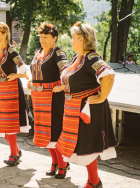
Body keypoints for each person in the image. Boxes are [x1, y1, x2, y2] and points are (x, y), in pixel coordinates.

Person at [55, 22, 119, 188]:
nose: (71, 41)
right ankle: (94, 181)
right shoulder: (78, 58)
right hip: (74, 109)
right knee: (84, 145)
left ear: (82, 40)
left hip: (87, 111)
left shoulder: (92, 58)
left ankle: (94, 181)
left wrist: (102, 97)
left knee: (87, 145)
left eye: (74, 38)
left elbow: (108, 75)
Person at [0, 20, 33, 166]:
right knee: (2, 125)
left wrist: (17, 76)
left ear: (4, 34)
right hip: (0, 90)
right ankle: (16, 150)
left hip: (12, 89)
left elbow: (24, 68)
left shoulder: (11, 50)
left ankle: (13, 153)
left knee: (10, 125)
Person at [27, 23, 70, 179]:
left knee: (56, 131)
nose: (42, 40)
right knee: (44, 132)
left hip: (54, 98)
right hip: (38, 99)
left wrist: (63, 85)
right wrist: (30, 80)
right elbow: (33, 71)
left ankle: (63, 164)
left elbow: (65, 69)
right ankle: (54, 162)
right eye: (41, 37)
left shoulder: (58, 53)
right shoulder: (37, 52)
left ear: (55, 38)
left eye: (46, 37)